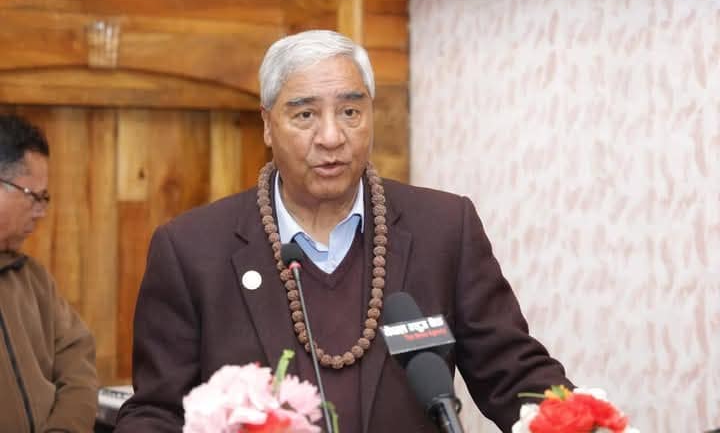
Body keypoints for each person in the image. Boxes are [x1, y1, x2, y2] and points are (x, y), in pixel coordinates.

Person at [115, 30, 572, 433]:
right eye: (305, 116)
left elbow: (514, 373)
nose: (331, 137)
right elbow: (158, 412)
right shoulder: (192, 250)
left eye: (350, 111)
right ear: (268, 125)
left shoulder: (444, 228)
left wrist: (584, 421)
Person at [0, 115, 98, 433]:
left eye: (45, 199)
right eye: (34, 196)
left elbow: (78, 363)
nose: (41, 211)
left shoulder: (34, 279)